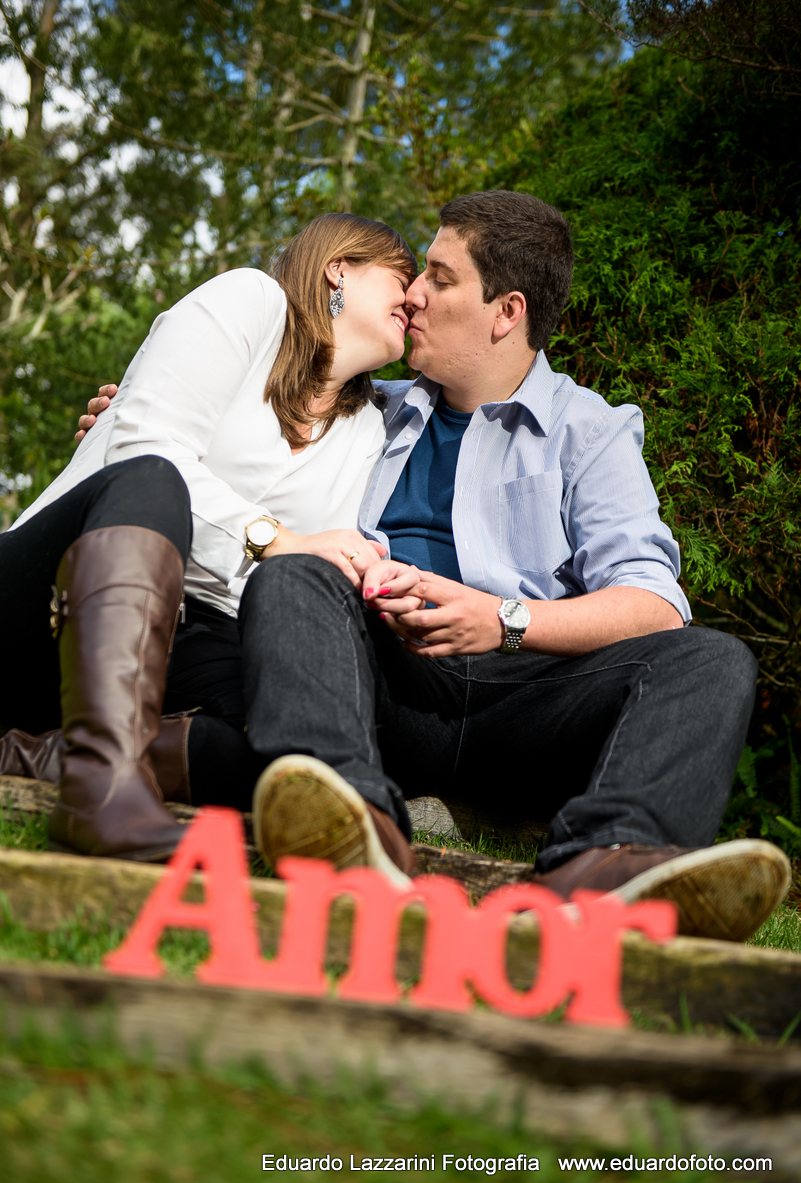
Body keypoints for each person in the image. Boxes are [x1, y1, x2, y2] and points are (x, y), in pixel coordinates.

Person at [46, 192, 790, 938]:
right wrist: (126, 412)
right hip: (387, 680)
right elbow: (256, 440)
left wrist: (502, 619)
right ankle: (347, 816)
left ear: (506, 312)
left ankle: (609, 865)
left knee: (712, 659)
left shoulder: (588, 431)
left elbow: (654, 602)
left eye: (439, 276)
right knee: (296, 573)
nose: (414, 294)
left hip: (529, 694)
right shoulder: (371, 407)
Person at [0, 213, 418, 880]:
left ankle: (42, 756)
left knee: (289, 742)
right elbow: (142, 445)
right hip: (48, 597)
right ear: (339, 267)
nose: (414, 295)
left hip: (178, 641)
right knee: (152, 479)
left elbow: (301, 571)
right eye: (402, 274)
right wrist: (274, 538)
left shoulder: (366, 430)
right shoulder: (251, 303)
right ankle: (102, 793)